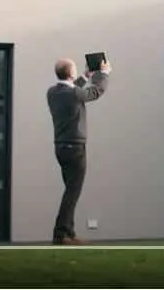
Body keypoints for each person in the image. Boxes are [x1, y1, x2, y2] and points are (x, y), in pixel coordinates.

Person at [46, 56, 110, 245]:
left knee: (70, 190)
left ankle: (69, 233)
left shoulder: (51, 93)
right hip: (75, 148)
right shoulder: (74, 94)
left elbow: (73, 89)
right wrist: (103, 73)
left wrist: (85, 76)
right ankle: (60, 234)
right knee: (73, 192)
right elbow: (94, 92)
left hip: (61, 147)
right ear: (70, 73)